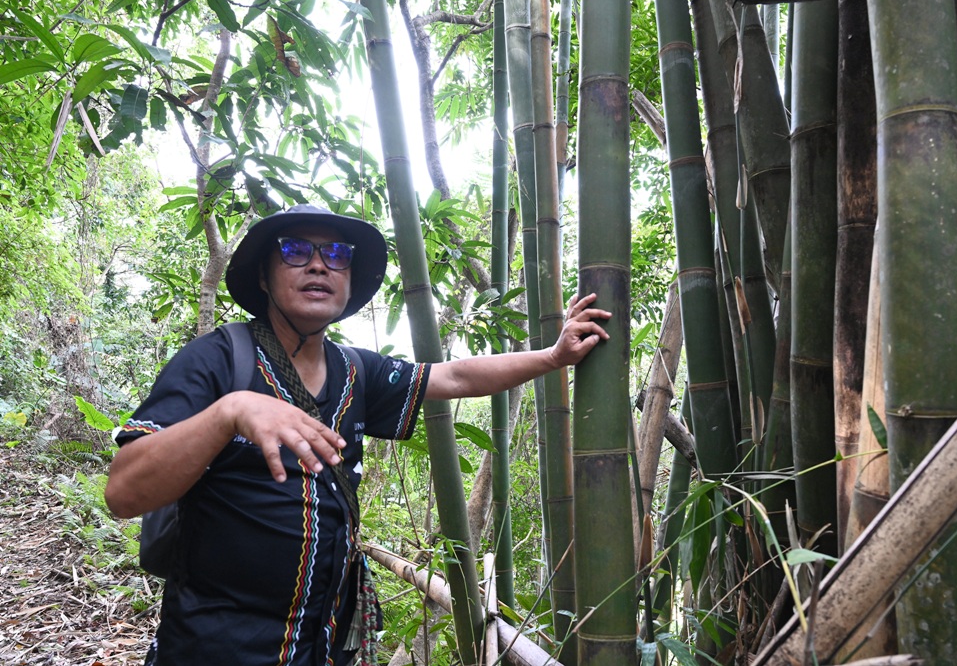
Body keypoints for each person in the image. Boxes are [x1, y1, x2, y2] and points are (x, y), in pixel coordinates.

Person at [104, 204, 611, 666]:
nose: (320, 265)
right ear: (263, 273)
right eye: (296, 250)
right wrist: (229, 413)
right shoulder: (218, 359)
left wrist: (553, 357)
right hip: (213, 646)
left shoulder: (354, 370)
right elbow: (125, 493)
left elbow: (454, 377)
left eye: (338, 254)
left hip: (324, 643)